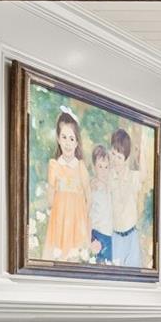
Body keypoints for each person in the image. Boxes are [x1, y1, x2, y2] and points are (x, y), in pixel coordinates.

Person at [40, 110, 89, 261]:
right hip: (59, 224)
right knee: (58, 257)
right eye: (64, 137)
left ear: (77, 143)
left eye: (72, 138)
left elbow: (88, 197)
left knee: (74, 259)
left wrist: (83, 221)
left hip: (77, 226)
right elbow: (50, 199)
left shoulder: (80, 167)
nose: (68, 143)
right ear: (58, 139)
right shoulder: (54, 165)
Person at [106, 127, 146, 268]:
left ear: (126, 159)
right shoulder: (109, 176)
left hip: (131, 235)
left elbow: (143, 175)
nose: (115, 160)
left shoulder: (132, 176)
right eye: (113, 154)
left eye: (119, 157)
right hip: (116, 235)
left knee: (134, 270)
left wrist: (141, 151)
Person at [86, 141, 115, 264]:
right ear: (94, 167)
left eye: (106, 167)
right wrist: (90, 239)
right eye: (100, 167)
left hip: (109, 236)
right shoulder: (93, 187)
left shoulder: (109, 186)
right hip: (97, 235)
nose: (103, 171)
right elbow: (87, 215)